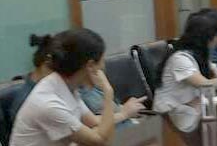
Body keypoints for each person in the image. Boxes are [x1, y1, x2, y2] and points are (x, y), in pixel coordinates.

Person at [10, 29, 118, 146]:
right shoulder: (48, 103)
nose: (103, 66)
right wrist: (108, 93)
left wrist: (94, 134)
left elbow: (95, 123)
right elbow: (103, 141)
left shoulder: (66, 85)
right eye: (102, 60)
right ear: (90, 65)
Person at [11, 34, 144, 125]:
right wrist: (122, 112)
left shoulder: (62, 88)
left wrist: (118, 106)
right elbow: (93, 133)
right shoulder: (32, 100)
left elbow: (93, 120)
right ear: (49, 63)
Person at [153, 13, 217, 114]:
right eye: (215, 35)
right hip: (170, 114)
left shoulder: (199, 54)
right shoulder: (180, 58)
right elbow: (204, 85)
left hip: (190, 108)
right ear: (205, 37)